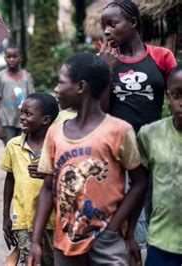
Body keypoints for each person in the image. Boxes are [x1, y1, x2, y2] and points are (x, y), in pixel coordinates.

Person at [27, 53, 148, 266]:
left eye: (61, 82)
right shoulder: (55, 133)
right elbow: (48, 188)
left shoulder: (118, 131)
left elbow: (140, 182)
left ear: (81, 86)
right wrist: (35, 241)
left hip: (107, 243)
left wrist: (117, 228)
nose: (56, 89)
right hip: (66, 242)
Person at [99, 0, 177, 247]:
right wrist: (105, 71)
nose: (106, 31)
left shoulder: (161, 56)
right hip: (119, 151)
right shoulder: (103, 60)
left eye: (112, 24)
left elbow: (177, 94)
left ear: (133, 23)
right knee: (127, 216)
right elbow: (100, 112)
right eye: (104, 26)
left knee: (158, 208)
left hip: (156, 147)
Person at [1, 93, 59, 266]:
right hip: (24, 221)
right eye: (22, 113)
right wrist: (6, 216)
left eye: (28, 114)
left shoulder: (57, 145)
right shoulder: (14, 145)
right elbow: (9, 180)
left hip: (53, 221)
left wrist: (49, 174)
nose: (22, 118)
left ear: (45, 119)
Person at [137, 65, 182, 266]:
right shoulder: (150, 135)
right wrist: (129, 234)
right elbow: (140, 185)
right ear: (168, 96)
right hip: (162, 242)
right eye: (176, 95)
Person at [0, 45, 35, 145]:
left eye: (15, 57)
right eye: (8, 57)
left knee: (24, 151)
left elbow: (32, 100)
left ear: (21, 58)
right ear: (5, 58)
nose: (11, 59)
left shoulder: (27, 77)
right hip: (7, 122)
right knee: (10, 150)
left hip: (25, 122)